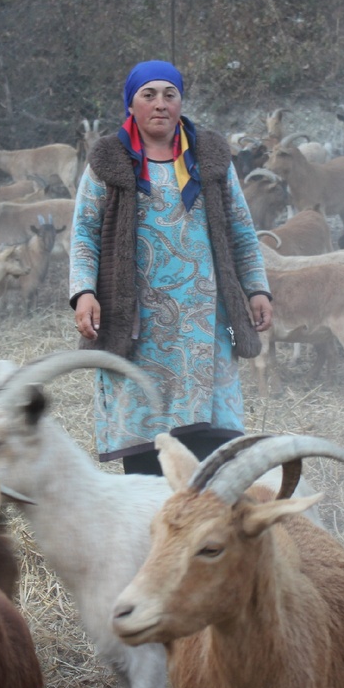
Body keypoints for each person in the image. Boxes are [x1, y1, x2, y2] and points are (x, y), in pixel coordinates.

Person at [69, 60, 273, 472]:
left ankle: (206, 523)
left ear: (181, 101)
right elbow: (84, 233)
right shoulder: (108, 161)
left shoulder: (211, 158)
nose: (160, 104)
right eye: (149, 95)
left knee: (211, 447)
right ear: (131, 105)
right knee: (149, 444)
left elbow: (241, 230)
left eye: (169, 94)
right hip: (138, 324)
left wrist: (257, 289)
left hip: (209, 324)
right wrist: (84, 292)